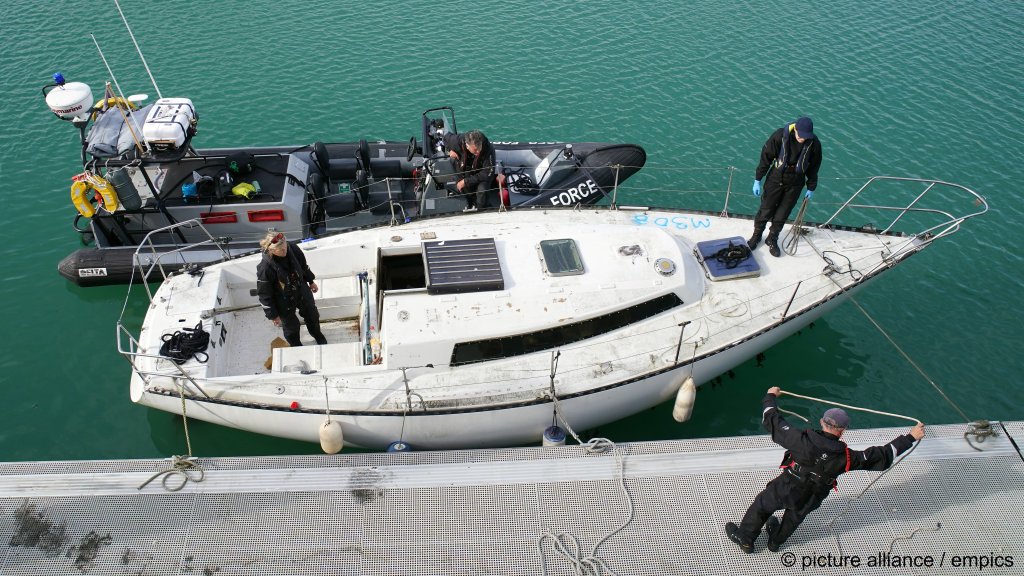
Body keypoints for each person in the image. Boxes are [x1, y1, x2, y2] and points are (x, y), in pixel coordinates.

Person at [725, 386, 925, 553]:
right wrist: (911, 437)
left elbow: (773, 422)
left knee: (762, 505)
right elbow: (881, 454)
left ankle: (745, 539)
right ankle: (775, 542)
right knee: (794, 518)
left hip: (786, 486)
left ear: (822, 422)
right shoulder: (848, 458)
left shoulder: (799, 440)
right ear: (843, 431)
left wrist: (770, 396)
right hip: (813, 495)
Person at [749, 116, 822, 257]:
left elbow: (814, 167)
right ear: (795, 129)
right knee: (766, 209)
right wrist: (758, 179)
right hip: (776, 177)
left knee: (783, 213)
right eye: (801, 135)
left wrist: (811, 187)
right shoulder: (779, 136)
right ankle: (756, 236)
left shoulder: (814, 144)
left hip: (796, 181)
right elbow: (766, 157)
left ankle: (772, 239)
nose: (803, 139)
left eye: (807, 136)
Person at [256, 231, 328, 347]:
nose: (285, 251)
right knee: (291, 326)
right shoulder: (265, 269)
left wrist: (311, 281)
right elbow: (264, 294)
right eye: (281, 250)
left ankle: (318, 335)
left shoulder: (292, 248)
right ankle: (296, 345)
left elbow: (303, 266)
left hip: (300, 287)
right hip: (283, 298)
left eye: (285, 247)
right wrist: (273, 315)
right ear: (272, 250)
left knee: (312, 314)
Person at [443, 129, 497, 211]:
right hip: (465, 168)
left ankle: (481, 209)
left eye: (479, 148)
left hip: (481, 172)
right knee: (462, 187)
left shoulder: (488, 149)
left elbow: (486, 174)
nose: (478, 151)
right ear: (467, 146)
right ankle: (468, 201)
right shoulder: (457, 141)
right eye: (475, 150)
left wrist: (465, 181)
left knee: (482, 190)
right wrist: (449, 150)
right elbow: (445, 138)